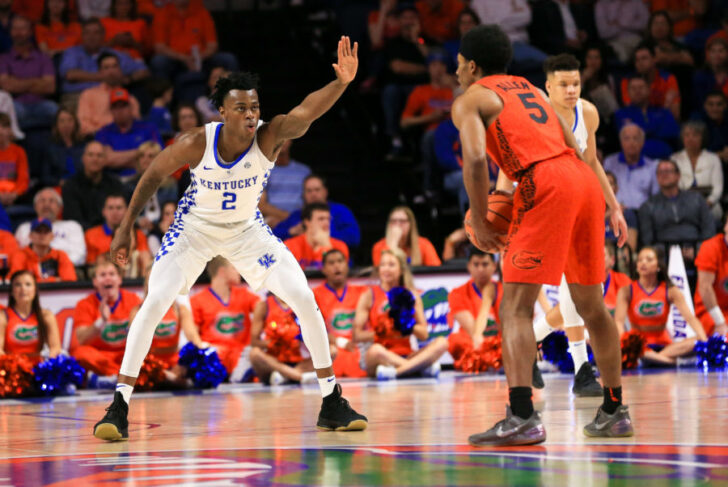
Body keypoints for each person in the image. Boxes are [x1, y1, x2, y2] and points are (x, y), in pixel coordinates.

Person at [93, 39, 367, 442]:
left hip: (247, 230)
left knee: (303, 297)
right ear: (222, 112)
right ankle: (119, 404)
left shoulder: (270, 136)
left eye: (254, 107)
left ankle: (331, 401)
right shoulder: (196, 142)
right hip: (194, 229)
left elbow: (307, 112)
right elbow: (152, 174)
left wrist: (341, 83)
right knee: (154, 303)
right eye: (241, 108)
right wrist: (125, 226)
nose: (251, 115)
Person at [452, 25, 632, 446]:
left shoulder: (471, 99)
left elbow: (476, 160)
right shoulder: (532, 90)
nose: (456, 71)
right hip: (581, 179)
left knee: (514, 308)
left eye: (458, 64)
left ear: (472, 65)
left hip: (542, 181)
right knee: (592, 305)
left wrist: (480, 219)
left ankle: (521, 416)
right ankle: (614, 409)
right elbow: (573, 143)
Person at [354, 248, 448, 380]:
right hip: (382, 355)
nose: (386, 269)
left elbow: (424, 334)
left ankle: (397, 371)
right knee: (375, 350)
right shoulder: (370, 294)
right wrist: (383, 331)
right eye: (383, 265)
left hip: (407, 354)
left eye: (391, 265)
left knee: (442, 342)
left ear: (402, 270)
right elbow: (357, 335)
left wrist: (407, 324)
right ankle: (417, 369)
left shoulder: (412, 294)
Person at [615, 246, 707, 365]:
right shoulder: (627, 290)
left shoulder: (670, 290)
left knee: (697, 342)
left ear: (658, 266)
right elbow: (618, 322)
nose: (643, 263)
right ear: (636, 266)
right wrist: (625, 343)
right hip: (638, 346)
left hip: (664, 346)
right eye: (640, 260)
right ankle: (671, 362)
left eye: (649, 260)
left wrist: (703, 338)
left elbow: (690, 318)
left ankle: (654, 358)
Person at [188, 256, 261, 378]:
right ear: (222, 271)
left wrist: (255, 334)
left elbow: (263, 307)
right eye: (234, 267)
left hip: (242, 355)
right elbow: (193, 335)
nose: (239, 271)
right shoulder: (197, 300)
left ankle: (240, 374)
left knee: (256, 354)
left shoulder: (244, 294)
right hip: (216, 355)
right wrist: (205, 346)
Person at [72, 259, 142, 382]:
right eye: (102, 275)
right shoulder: (84, 304)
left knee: (143, 355)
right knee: (80, 353)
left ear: (120, 279)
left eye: (112, 274)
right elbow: (82, 339)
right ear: (95, 282)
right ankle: (120, 377)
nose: (108, 278)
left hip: (123, 354)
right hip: (100, 356)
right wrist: (101, 321)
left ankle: (108, 379)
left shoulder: (134, 300)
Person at [59, 18, 149, 104]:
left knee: (137, 94)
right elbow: (70, 75)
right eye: (87, 33)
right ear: (82, 36)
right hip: (78, 96)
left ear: (103, 35)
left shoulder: (114, 54)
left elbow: (143, 71)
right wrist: (108, 78)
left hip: (111, 97)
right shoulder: (73, 52)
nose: (91, 37)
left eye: (96, 33)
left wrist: (128, 79)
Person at [313, 249, 367, 378]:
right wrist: (340, 342)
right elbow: (314, 331)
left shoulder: (363, 292)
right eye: (331, 263)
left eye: (340, 261)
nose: (337, 266)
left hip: (358, 348)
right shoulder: (315, 295)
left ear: (347, 265)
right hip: (332, 349)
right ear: (324, 269)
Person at [638, 159, 715, 250]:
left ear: (678, 175)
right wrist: (668, 252)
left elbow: (709, 230)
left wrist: (697, 249)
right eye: (660, 172)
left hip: (696, 250)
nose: (664, 174)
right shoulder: (648, 206)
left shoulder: (696, 199)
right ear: (657, 177)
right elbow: (648, 240)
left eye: (668, 171)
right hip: (663, 253)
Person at [0, 15, 57, 130]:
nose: (18, 33)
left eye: (22, 29)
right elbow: (6, 86)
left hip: (40, 103)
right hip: (15, 104)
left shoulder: (43, 58)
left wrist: (17, 82)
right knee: (9, 113)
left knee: (55, 110)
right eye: (15, 29)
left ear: (30, 32)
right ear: (10, 32)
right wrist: (38, 82)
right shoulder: (3, 59)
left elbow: (50, 87)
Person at [273, 174, 361, 248]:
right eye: (309, 191)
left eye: (317, 190)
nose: (313, 194)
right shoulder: (297, 215)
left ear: (325, 192)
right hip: (302, 264)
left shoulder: (341, 211)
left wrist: (324, 233)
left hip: (332, 262)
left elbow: (354, 238)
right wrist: (290, 232)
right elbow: (272, 237)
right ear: (304, 194)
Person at [95, 87, 163, 179]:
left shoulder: (149, 128)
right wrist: (140, 152)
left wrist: (117, 157)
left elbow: (158, 156)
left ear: (131, 107)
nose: (120, 111)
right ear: (111, 110)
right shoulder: (103, 132)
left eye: (123, 106)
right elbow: (107, 160)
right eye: (115, 107)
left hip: (145, 178)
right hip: (114, 181)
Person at [249, 294, 317, 385]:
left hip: (299, 361)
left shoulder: (303, 304)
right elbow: (254, 342)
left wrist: (301, 338)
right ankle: (298, 377)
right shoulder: (263, 305)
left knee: (331, 350)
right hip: (274, 362)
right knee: (254, 353)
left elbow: (317, 334)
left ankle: (284, 377)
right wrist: (273, 343)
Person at [85, 192, 151, 276]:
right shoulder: (91, 235)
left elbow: (145, 260)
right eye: (110, 208)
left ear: (127, 211)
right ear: (103, 211)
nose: (115, 212)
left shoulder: (139, 235)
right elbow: (91, 268)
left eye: (119, 208)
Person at [15, 188, 86, 266]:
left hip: (67, 269)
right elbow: (18, 254)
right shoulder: (24, 228)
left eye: (51, 201)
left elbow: (80, 255)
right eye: (42, 201)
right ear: (35, 207)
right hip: (30, 271)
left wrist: (57, 266)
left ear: (60, 207)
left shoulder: (73, 226)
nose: (46, 205)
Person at [62, 141, 124, 229]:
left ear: (105, 160)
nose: (95, 159)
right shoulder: (70, 186)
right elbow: (73, 219)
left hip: (111, 233)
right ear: (83, 158)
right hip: (81, 235)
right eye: (90, 155)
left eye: (99, 155)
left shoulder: (115, 184)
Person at [614, 76, 680, 160]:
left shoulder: (663, 112)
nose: (637, 91)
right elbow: (625, 138)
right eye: (633, 88)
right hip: (635, 161)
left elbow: (672, 133)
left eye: (641, 87)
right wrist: (656, 128)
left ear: (649, 90)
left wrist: (641, 132)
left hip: (663, 159)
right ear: (627, 92)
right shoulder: (621, 114)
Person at [77, 52, 142, 137]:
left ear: (120, 70)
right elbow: (84, 126)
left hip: (125, 139)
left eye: (114, 66)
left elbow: (137, 125)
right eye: (106, 67)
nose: (111, 71)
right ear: (100, 72)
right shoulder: (88, 95)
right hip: (97, 139)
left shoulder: (130, 98)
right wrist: (105, 134)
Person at [0, 270, 61, 359]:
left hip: (38, 368)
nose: (23, 289)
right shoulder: (3, 316)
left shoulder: (46, 315)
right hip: (12, 368)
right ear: (12, 291)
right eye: (18, 285)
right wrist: (11, 366)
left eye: (28, 284)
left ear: (35, 290)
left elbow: (55, 348)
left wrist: (48, 367)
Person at [670, 120, 723, 221]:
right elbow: (675, 187)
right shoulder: (675, 159)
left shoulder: (713, 158)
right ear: (682, 138)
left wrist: (708, 203)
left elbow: (718, 189)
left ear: (702, 138)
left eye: (695, 135)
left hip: (710, 206)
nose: (690, 138)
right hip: (683, 205)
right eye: (687, 135)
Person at [448, 247, 501, 345]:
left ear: (494, 266)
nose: (480, 269)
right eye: (476, 264)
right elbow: (475, 334)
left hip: (501, 344)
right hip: (472, 346)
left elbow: (508, 328)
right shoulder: (457, 293)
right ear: (469, 266)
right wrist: (487, 300)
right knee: (455, 340)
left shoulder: (503, 290)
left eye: (485, 264)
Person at [603, 124, 659, 211]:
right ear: (621, 142)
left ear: (642, 142)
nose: (631, 142)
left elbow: (656, 196)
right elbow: (603, 191)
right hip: (614, 212)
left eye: (635, 138)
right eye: (627, 138)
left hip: (642, 214)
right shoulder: (609, 163)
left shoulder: (652, 166)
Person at [123, 141, 177, 232]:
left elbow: (172, 211)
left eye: (150, 156)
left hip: (163, 229)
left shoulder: (170, 185)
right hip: (137, 230)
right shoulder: (129, 185)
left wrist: (157, 225)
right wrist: (138, 220)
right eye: (142, 156)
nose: (145, 159)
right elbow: (125, 212)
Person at [620, 43, 681, 121]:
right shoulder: (627, 81)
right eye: (637, 60)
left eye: (644, 58)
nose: (640, 63)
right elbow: (631, 112)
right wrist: (666, 106)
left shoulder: (668, 79)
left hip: (663, 123)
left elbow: (675, 115)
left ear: (654, 59)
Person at [258, 138, 311, 227]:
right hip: (272, 222)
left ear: (290, 141)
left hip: (301, 222)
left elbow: (311, 200)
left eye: (285, 138)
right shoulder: (262, 171)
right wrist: (291, 220)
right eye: (278, 138)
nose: (281, 141)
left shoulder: (304, 171)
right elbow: (261, 205)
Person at [9, 218, 77, 282]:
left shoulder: (60, 255)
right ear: (30, 235)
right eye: (38, 231)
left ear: (52, 236)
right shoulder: (20, 255)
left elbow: (70, 280)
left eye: (46, 232)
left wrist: (32, 282)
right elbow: (16, 280)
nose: (42, 235)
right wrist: (55, 280)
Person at [284, 203, 349, 270]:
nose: (326, 223)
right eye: (321, 219)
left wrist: (326, 247)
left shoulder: (340, 247)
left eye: (328, 219)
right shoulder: (289, 246)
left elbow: (337, 273)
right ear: (307, 222)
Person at [372, 206, 441, 267]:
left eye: (402, 221)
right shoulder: (379, 246)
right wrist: (393, 243)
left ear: (410, 224)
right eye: (393, 221)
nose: (397, 225)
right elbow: (383, 272)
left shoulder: (424, 244)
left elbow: (435, 270)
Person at [694, 217, 728, 336]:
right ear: (726, 227)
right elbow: (705, 287)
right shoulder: (710, 247)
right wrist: (719, 322)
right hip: (710, 310)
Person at [44, 108, 86, 186]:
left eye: (70, 120)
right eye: (62, 121)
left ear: (75, 123)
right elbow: (45, 177)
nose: (66, 124)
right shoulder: (50, 148)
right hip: (59, 187)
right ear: (56, 125)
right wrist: (59, 182)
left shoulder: (84, 146)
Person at [0, 112, 28, 207]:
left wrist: (15, 194)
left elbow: (23, 180)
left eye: (4, 127)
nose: (0, 131)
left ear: (10, 130)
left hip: (15, 196)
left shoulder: (19, 151)